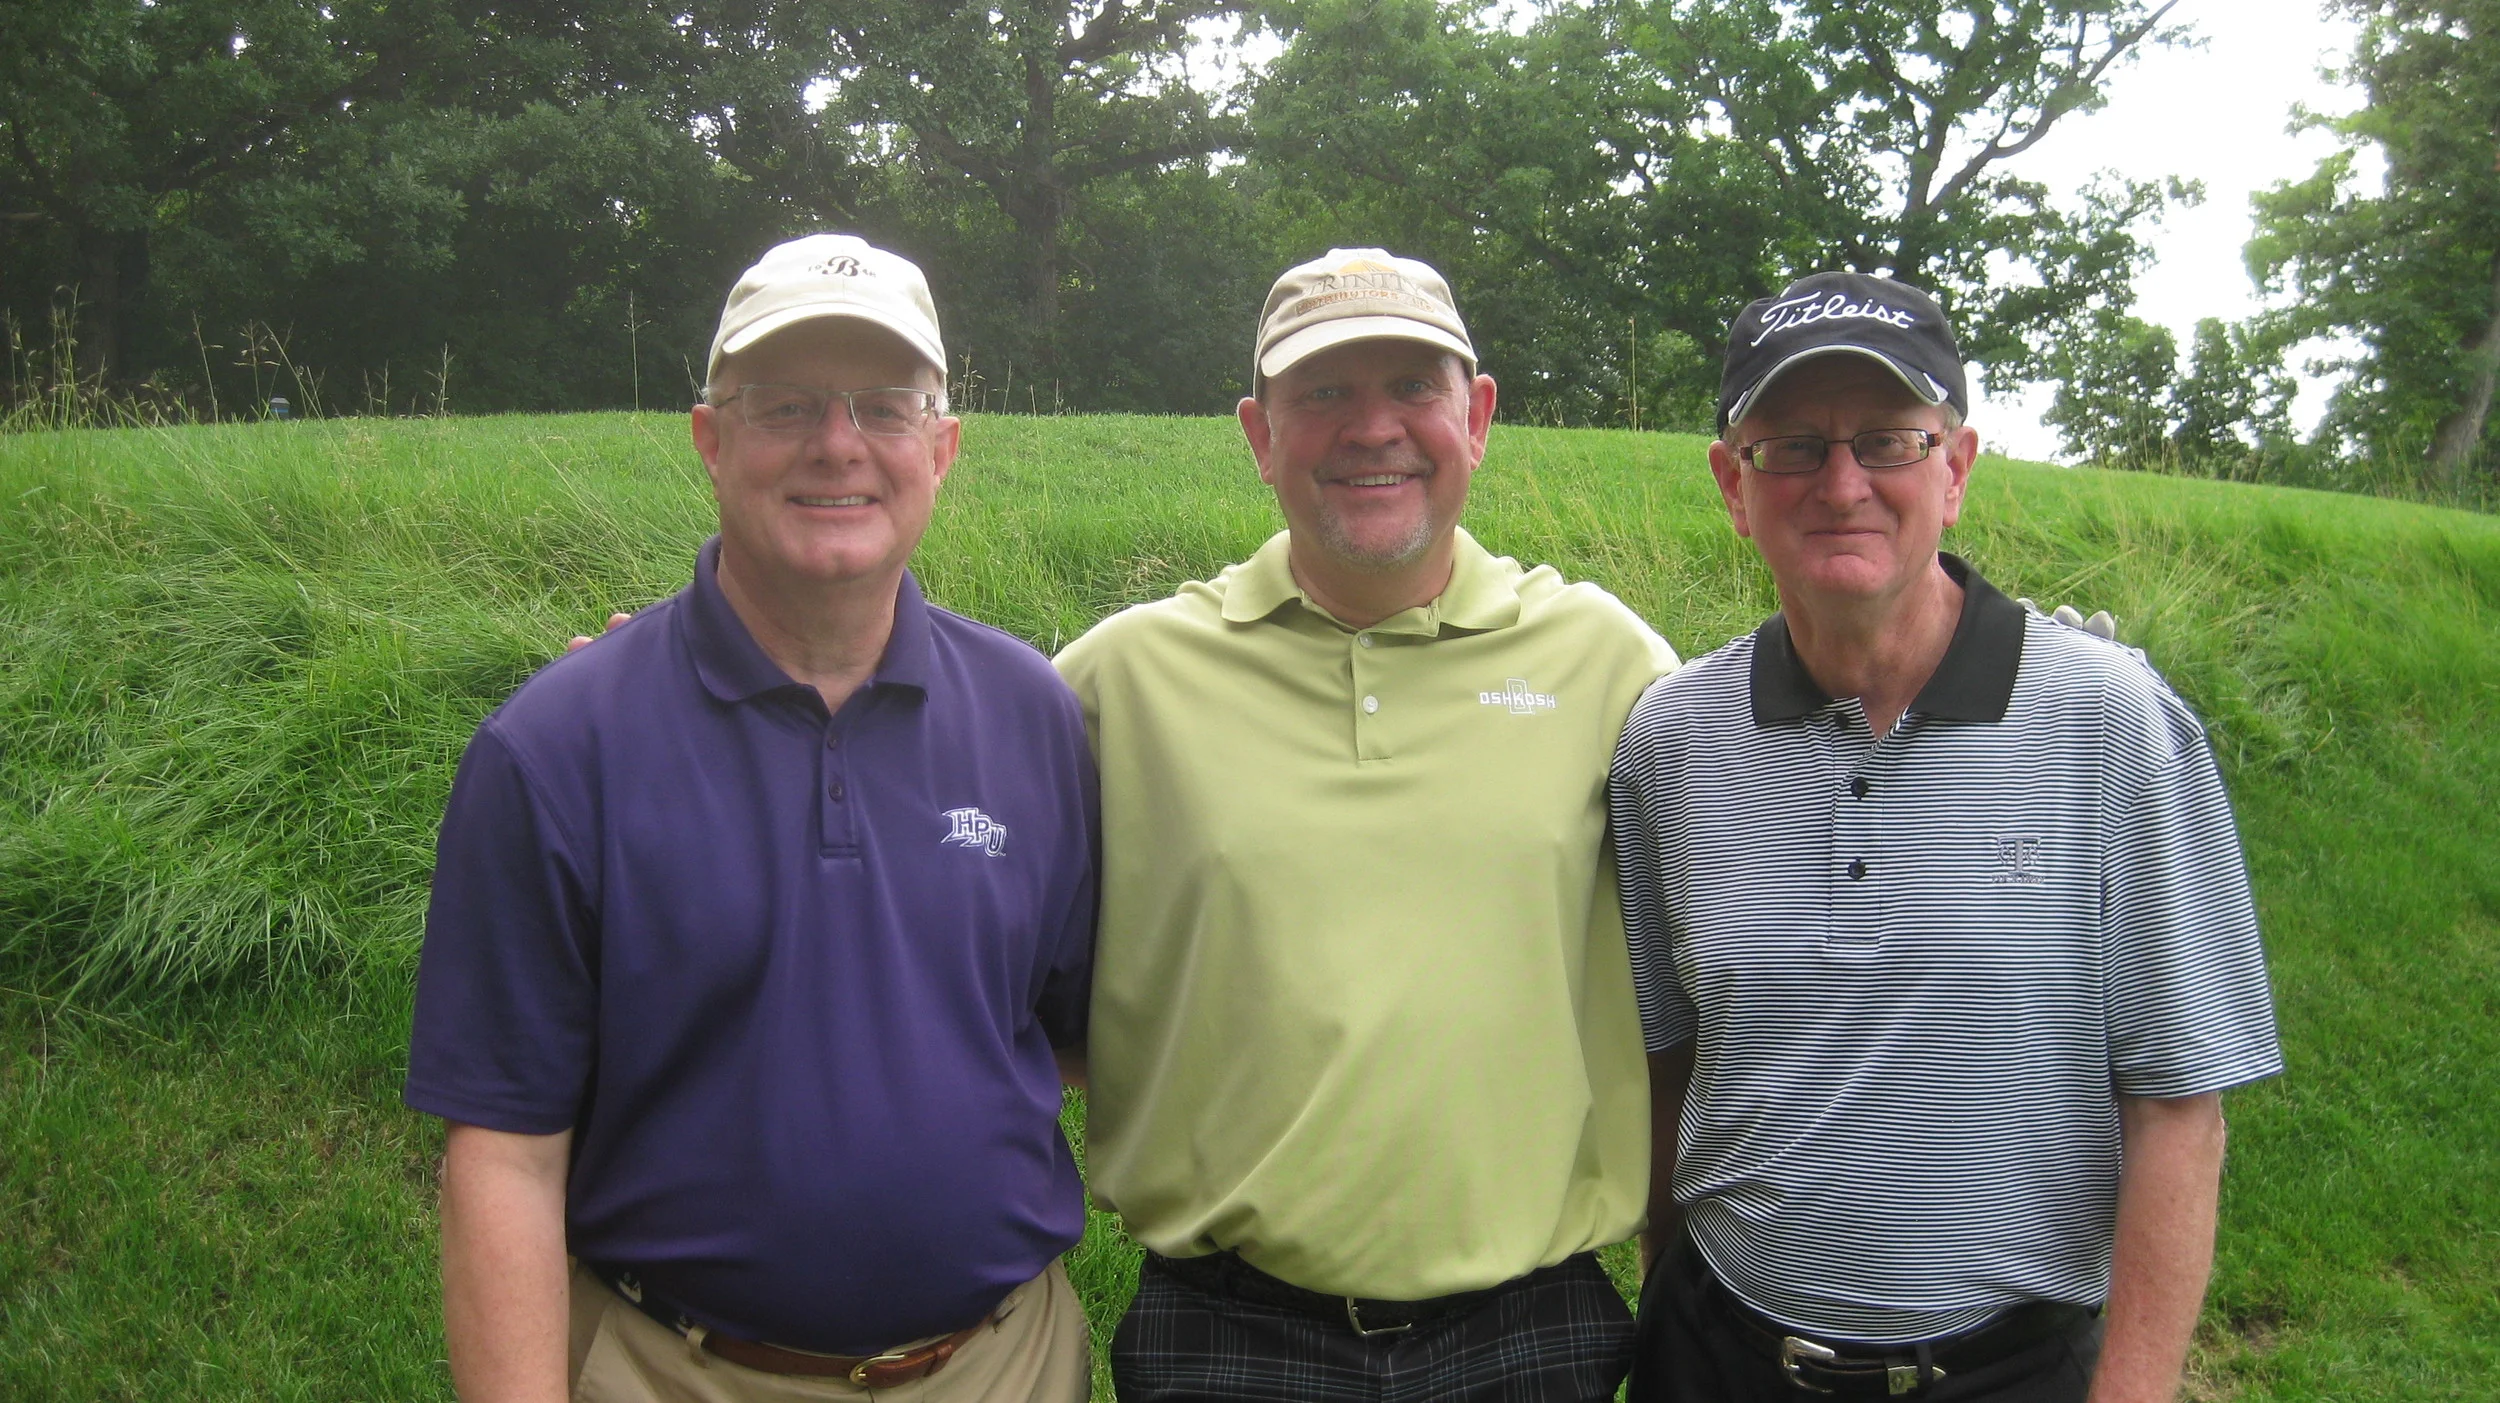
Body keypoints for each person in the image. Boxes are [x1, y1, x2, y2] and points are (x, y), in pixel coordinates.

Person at [404, 233, 1099, 1403]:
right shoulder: (557, 746)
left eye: (885, 406)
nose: (838, 443)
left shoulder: (1031, 712)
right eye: (785, 405)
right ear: (710, 440)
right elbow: (505, 1156)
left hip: (1001, 1366)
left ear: (941, 447)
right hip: (674, 1372)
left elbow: (1073, 1034)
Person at [1609, 272, 2284, 1402]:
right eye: (1792, 447)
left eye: (1888, 440)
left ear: (1955, 468)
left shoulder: (2111, 723)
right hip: (1719, 1353)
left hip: (2005, 1368)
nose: (1842, 485)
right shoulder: (1669, 740)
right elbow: (1665, 1067)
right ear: (1734, 484)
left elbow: (2178, 1107)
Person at [1051, 249, 1682, 1401]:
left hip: (1526, 1328)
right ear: (1259, 434)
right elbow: (957, 890)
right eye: (1325, 393)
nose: (1372, 427)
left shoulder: (1607, 662)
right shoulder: (1120, 679)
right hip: (1227, 1330)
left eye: (1410, 387)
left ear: (1475, 416)